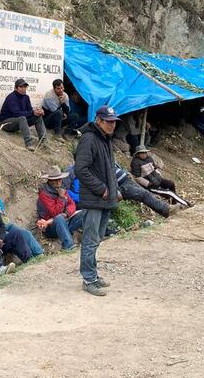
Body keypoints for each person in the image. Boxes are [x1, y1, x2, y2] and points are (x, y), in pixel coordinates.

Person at [75, 105, 120, 296]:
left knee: (97, 238)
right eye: (108, 122)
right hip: (94, 199)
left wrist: (114, 189)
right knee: (90, 239)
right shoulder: (89, 139)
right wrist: (101, 189)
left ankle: (93, 274)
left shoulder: (104, 139)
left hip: (104, 198)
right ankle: (89, 278)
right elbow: (80, 169)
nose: (112, 126)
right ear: (98, 121)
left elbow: (109, 168)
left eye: (113, 122)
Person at [36, 166, 84, 250]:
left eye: (60, 179)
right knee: (58, 218)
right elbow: (54, 212)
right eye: (56, 180)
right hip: (51, 226)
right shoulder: (44, 194)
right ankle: (68, 245)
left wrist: (66, 213)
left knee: (85, 212)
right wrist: (61, 198)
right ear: (50, 181)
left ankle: (92, 237)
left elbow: (72, 204)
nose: (59, 182)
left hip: (66, 219)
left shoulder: (61, 189)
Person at [0, 78, 46, 150]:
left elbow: (29, 111)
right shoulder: (11, 97)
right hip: (6, 123)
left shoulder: (26, 97)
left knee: (38, 117)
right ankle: (29, 144)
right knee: (22, 118)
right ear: (16, 88)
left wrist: (37, 112)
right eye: (22, 87)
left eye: (25, 87)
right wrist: (32, 112)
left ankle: (43, 142)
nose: (24, 89)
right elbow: (16, 114)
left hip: (19, 121)